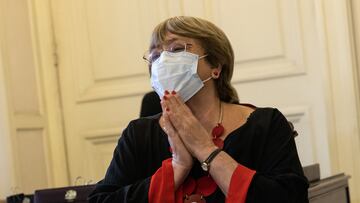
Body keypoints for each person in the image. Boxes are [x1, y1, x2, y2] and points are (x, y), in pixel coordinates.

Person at [88, 16, 309, 203]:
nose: (163, 61)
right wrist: (176, 168)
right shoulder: (139, 134)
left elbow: (290, 197)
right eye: (155, 56)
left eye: (176, 49)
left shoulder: (266, 124)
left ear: (215, 66)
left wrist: (205, 149)